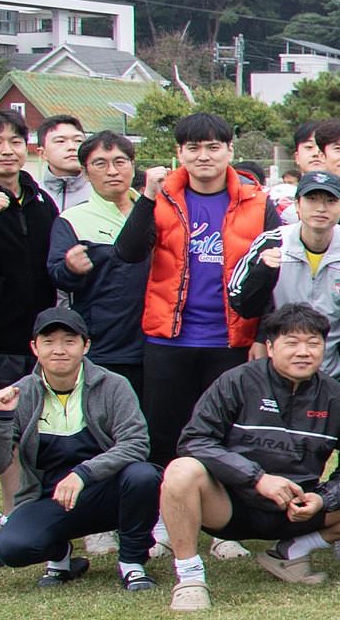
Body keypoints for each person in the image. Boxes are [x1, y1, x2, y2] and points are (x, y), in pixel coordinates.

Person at [159, 303, 340, 598]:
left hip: (296, 511)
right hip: (230, 505)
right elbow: (195, 440)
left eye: (313, 343)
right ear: (269, 346)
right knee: (180, 470)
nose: (303, 352)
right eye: (291, 343)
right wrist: (257, 479)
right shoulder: (237, 382)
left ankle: (292, 551)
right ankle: (190, 579)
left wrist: (322, 498)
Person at [109, 112, 278, 463]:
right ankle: (162, 511)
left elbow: (272, 280)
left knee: (230, 432)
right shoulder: (163, 198)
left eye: (214, 147)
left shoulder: (258, 204)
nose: (204, 156)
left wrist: (263, 336)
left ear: (230, 150)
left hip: (233, 340)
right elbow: (127, 252)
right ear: (179, 152)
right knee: (164, 431)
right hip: (168, 339)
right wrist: (146, 197)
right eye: (194, 148)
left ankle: (222, 511)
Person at [0, 306, 157, 591]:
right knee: (12, 548)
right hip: (49, 499)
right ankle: (60, 555)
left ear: (86, 346)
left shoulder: (114, 385)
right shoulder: (21, 393)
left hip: (106, 491)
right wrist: (0, 417)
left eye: (69, 341)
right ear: (34, 348)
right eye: (49, 341)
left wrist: (83, 474)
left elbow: (136, 443)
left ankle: (132, 563)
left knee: (144, 476)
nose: (59, 350)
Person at [0, 110, 62, 559]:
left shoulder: (39, 200)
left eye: (15, 141)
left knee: (23, 439)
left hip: (32, 341)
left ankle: (16, 527)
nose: (7, 150)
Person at [226, 171, 340, 360]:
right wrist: (263, 272)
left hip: (336, 368)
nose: (321, 208)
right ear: (297, 204)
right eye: (312, 199)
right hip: (279, 363)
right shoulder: (272, 242)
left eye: (331, 201)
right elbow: (240, 303)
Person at [49, 129, 146, 394]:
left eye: (119, 161)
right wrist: (70, 267)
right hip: (103, 347)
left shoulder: (155, 212)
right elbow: (56, 273)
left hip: (156, 345)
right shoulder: (73, 220)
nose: (112, 171)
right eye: (100, 163)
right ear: (85, 171)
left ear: (132, 166)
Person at [31, 115, 90, 214]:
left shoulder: (101, 193)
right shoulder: (33, 195)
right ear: (42, 153)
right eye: (60, 141)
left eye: (78, 141)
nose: (72, 147)